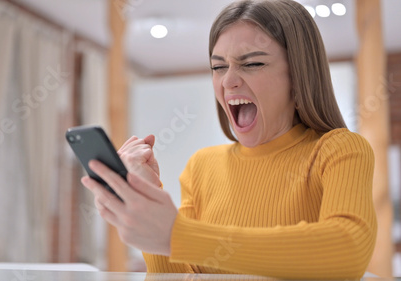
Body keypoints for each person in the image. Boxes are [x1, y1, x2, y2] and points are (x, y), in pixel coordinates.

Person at [81, 0, 377, 279]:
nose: (228, 80)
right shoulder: (202, 166)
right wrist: (146, 194)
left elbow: (349, 250)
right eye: (219, 66)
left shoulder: (338, 150)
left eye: (252, 64)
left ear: (299, 76)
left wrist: (179, 235)